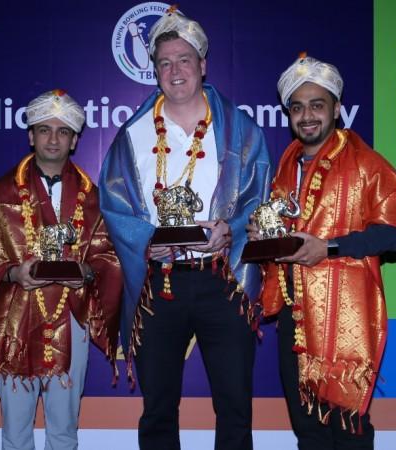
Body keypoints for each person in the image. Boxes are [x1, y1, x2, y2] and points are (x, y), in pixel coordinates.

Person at [99, 8, 272, 450]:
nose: (175, 71)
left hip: (223, 278)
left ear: (203, 65)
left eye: (184, 60)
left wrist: (231, 228)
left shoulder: (241, 130)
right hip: (161, 283)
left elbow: (259, 199)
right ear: (154, 71)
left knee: (235, 403)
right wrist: (147, 241)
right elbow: (114, 206)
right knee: (158, 407)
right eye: (165, 63)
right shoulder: (133, 134)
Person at [252, 54, 396, 449]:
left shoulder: (365, 162)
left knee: (347, 428)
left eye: (317, 105)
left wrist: (329, 248)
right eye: (297, 107)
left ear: (337, 109)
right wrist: (263, 236)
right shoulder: (287, 163)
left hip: (345, 318)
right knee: (307, 429)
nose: (307, 115)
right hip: (296, 316)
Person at [0, 89, 122, 450]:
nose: (54, 138)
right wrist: (11, 274)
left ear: (75, 140)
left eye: (63, 131)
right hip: (15, 319)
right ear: (30, 136)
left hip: (71, 318)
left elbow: (109, 256)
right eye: (45, 130)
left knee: (64, 430)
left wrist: (86, 270)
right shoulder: (1, 195)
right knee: (15, 432)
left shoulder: (93, 198)